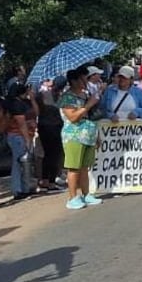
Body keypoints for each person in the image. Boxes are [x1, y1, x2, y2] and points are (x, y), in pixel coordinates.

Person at [58, 69, 103, 210]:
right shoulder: (67, 97)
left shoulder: (85, 95)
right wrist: (89, 104)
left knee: (84, 167)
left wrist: (97, 135)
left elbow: (90, 117)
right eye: (83, 79)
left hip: (88, 134)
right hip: (74, 136)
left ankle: (86, 194)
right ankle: (72, 197)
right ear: (74, 81)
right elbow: (72, 117)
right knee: (74, 168)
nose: (85, 82)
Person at [4, 82, 39, 200]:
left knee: (25, 164)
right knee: (18, 163)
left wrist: (32, 99)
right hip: (18, 136)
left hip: (23, 135)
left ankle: (25, 188)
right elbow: (21, 123)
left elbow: (36, 113)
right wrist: (27, 139)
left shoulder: (23, 102)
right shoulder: (15, 105)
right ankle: (18, 190)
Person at [35, 75, 66, 191]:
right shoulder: (55, 96)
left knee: (48, 155)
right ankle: (51, 182)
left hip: (44, 127)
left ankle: (45, 180)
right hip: (53, 127)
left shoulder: (43, 95)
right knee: (54, 155)